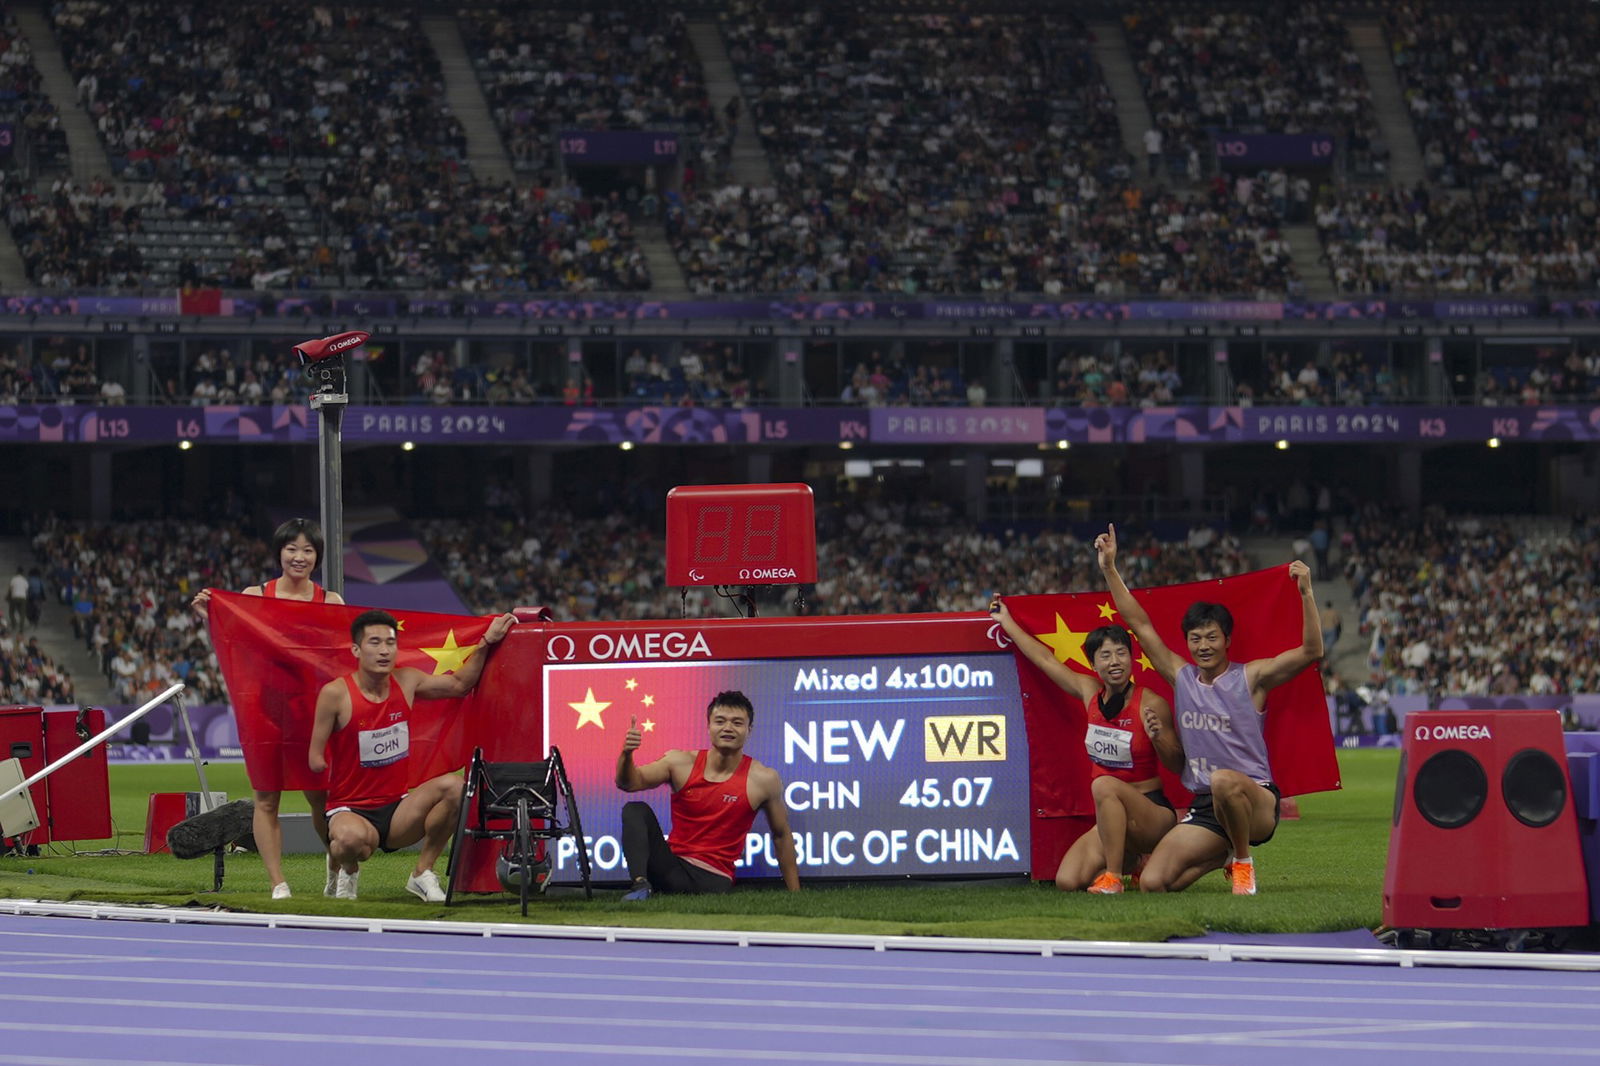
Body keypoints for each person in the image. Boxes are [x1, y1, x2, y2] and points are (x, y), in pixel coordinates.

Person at [1096, 523, 1323, 896]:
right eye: (1195, 638)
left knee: (1223, 779)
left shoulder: (1252, 678)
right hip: (1206, 808)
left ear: (1227, 640)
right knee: (1154, 884)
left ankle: (1243, 864)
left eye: (1212, 637)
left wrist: (1307, 593)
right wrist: (1109, 568)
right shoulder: (1181, 677)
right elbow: (1138, 623)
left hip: (1254, 802)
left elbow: (1312, 652)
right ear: (1187, 642)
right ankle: (1222, 855)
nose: (1203, 645)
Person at [308, 607, 516, 902]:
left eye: (390, 643)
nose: (384, 651)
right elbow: (314, 759)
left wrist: (485, 642)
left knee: (456, 788)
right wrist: (320, 775)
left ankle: (422, 873)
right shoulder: (335, 694)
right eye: (375, 642)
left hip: (398, 810)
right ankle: (347, 869)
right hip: (350, 809)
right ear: (356, 649)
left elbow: (459, 685)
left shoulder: (406, 681)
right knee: (350, 842)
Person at [191, 517, 346, 899]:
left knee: (322, 799)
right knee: (266, 798)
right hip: (265, 712)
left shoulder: (332, 602)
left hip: (314, 714)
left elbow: (344, 657)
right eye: (292, 549)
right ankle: (278, 882)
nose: (299, 556)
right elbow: (237, 644)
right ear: (279, 553)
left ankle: (337, 865)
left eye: (308, 550)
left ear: (318, 557)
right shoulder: (254, 595)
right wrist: (211, 616)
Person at [990, 599, 1181, 894]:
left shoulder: (1150, 702)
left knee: (1103, 784)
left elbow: (1178, 765)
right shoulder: (1089, 692)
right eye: (1105, 656)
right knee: (1068, 881)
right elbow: (1046, 661)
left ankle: (1114, 877)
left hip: (1152, 815)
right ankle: (1133, 860)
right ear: (1093, 664)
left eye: (1121, 654)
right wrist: (1007, 623)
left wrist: (1160, 738)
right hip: (1112, 818)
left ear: (1131, 660)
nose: (1115, 661)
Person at [615, 690, 799, 899]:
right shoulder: (680, 763)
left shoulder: (764, 779)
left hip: (714, 880)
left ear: (749, 730)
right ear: (709, 726)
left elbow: (781, 835)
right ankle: (640, 886)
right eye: (720, 721)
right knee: (635, 809)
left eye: (737, 723)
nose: (728, 728)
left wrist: (795, 893)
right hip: (672, 870)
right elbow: (628, 784)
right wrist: (627, 754)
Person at [8, 566, 28, 631]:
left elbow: (10, 589)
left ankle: (14, 624)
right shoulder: (24, 580)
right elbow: (26, 589)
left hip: (14, 597)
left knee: (11, 611)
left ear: (17, 572)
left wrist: (8, 597)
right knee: (22, 613)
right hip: (22, 597)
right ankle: (21, 628)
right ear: (23, 573)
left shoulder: (14, 579)